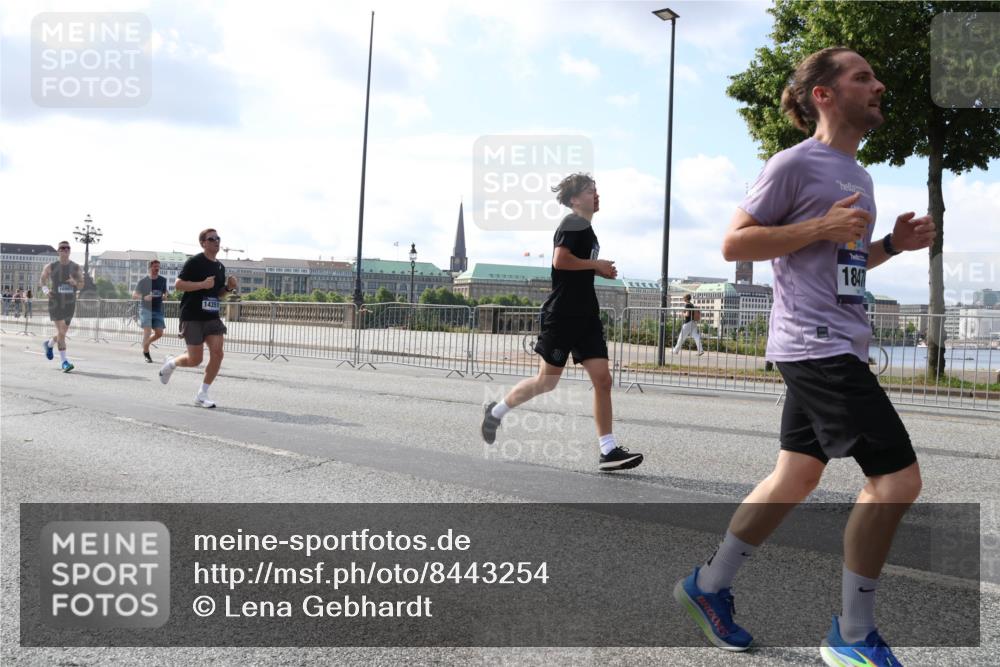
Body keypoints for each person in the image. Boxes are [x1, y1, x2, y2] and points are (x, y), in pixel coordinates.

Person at [673, 47, 934, 666]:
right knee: (896, 479)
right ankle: (853, 634)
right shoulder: (792, 164)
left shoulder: (860, 176)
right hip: (816, 344)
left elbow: (846, 263)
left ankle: (707, 586)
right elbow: (735, 243)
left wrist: (891, 244)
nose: (879, 85)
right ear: (824, 94)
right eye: (863, 77)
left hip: (837, 338)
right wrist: (817, 227)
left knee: (795, 475)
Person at [480, 173, 642, 472]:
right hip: (563, 315)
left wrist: (598, 270)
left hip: (586, 316)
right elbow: (560, 260)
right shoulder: (572, 223)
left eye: (596, 190)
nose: (596, 195)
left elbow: (573, 267)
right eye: (590, 191)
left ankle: (608, 450)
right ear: (574, 199)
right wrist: (596, 264)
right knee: (547, 381)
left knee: (603, 380)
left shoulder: (588, 230)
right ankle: (496, 412)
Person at [158, 229, 237, 407]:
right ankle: (171, 363)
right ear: (203, 243)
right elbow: (178, 285)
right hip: (192, 314)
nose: (216, 241)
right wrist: (202, 284)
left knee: (218, 353)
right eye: (212, 239)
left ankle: (202, 394)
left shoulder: (220, 267)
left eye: (218, 238)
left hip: (212, 316)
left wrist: (229, 288)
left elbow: (218, 293)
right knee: (195, 360)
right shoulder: (195, 262)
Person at [39, 241, 84, 372]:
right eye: (62, 248)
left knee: (62, 333)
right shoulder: (51, 266)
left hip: (70, 303)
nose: (65, 250)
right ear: (58, 251)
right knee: (62, 334)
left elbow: (82, 284)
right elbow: (42, 280)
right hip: (55, 302)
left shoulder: (76, 267)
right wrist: (46, 290)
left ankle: (49, 344)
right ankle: (64, 362)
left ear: (70, 250)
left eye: (67, 248)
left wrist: (75, 282)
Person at [133, 259, 168, 362]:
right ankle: (146, 353)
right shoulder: (143, 281)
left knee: (159, 333)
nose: (157, 268)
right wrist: (144, 297)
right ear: (150, 267)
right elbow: (134, 295)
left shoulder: (163, 280)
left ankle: (146, 344)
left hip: (157, 309)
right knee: (147, 331)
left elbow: (165, 291)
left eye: (158, 267)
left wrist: (165, 295)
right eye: (155, 266)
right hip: (145, 309)